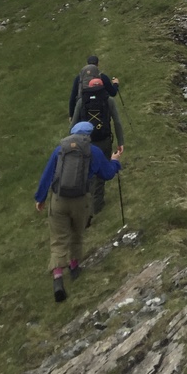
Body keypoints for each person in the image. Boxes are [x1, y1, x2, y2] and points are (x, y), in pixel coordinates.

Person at [34, 121, 122, 302]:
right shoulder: (93, 152)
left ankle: (58, 278)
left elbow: (47, 174)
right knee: (77, 234)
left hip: (59, 200)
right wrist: (115, 162)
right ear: (88, 135)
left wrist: (40, 198)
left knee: (59, 239)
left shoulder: (60, 150)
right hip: (80, 200)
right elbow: (107, 174)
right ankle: (74, 268)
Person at [71, 81, 125, 217]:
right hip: (104, 141)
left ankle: (84, 207)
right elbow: (117, 122)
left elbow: (73, 124)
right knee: (100, 174)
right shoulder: (109, 100)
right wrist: (120, 142)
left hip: (84, 142)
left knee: (86, 172)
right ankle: (97, 206)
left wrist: (72, 143)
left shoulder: (82, 101)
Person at [67, 55, 119, 119]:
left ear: (87, 64)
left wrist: (71, 115)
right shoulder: (102, 77)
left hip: (84, 111)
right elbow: (113, 93)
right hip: (102, 111)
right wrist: (115, 84)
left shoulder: (79, 78)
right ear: (97, 64)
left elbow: (73, 98)